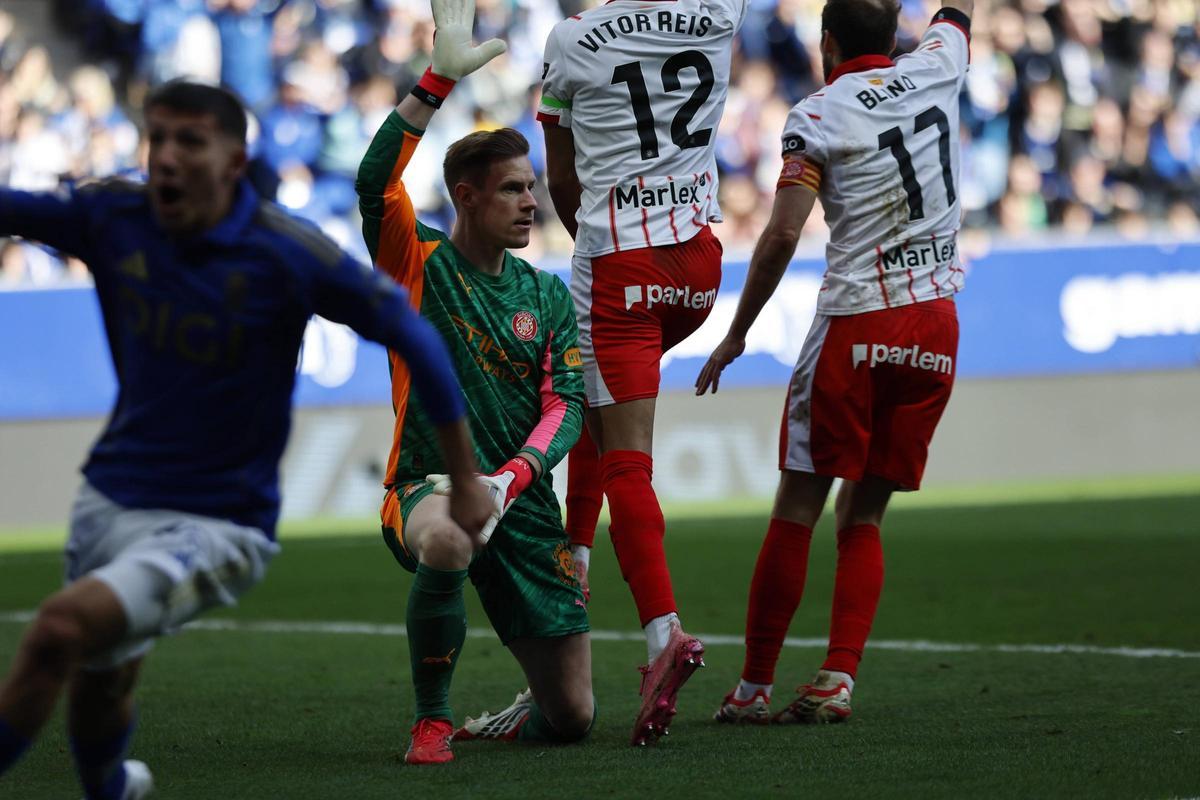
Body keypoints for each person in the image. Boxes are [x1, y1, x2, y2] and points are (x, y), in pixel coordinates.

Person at [0, 80, 492, 799]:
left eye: (189, 141)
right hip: (108, 498)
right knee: (103, 681)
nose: (166, 156)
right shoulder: (114, 218)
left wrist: (466, 477)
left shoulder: (284, 251)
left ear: (234, 160)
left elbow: (413, 335)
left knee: (57, 631)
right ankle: (113, 786)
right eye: (157, 138)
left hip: (219, 523)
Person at [695, 0, 973, 724]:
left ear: (826, 43)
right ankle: (837, 676)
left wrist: (738, 331)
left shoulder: (817, 116)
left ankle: (754, 687)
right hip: (936, 326)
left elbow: (784, 233)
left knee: (798, 505)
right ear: (898, 36)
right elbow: (958, 12)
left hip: (857, 321)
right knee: (866, 511)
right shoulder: (941, 64)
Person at [356, 0, 593, 766]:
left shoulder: (547, 295)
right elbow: (372, 180)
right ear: (465, 196)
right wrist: (434, 83)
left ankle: (510, 715)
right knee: (451, 537)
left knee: (575, 718)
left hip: (518, 500)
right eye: (513, 190)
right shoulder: (416, 263)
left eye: (531, 188)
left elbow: (568, 405)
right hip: (427, 485)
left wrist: (512, 480)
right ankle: (432, 720)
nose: (532, 202)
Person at [537, 0, 749, 745]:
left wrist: (607, 252)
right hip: (699, 269)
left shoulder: (570, 39)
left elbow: (560, 178)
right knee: (601, 411)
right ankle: (580, 558)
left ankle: (663, 636)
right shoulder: (719, 14)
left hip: (622, 267)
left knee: (626, 458)